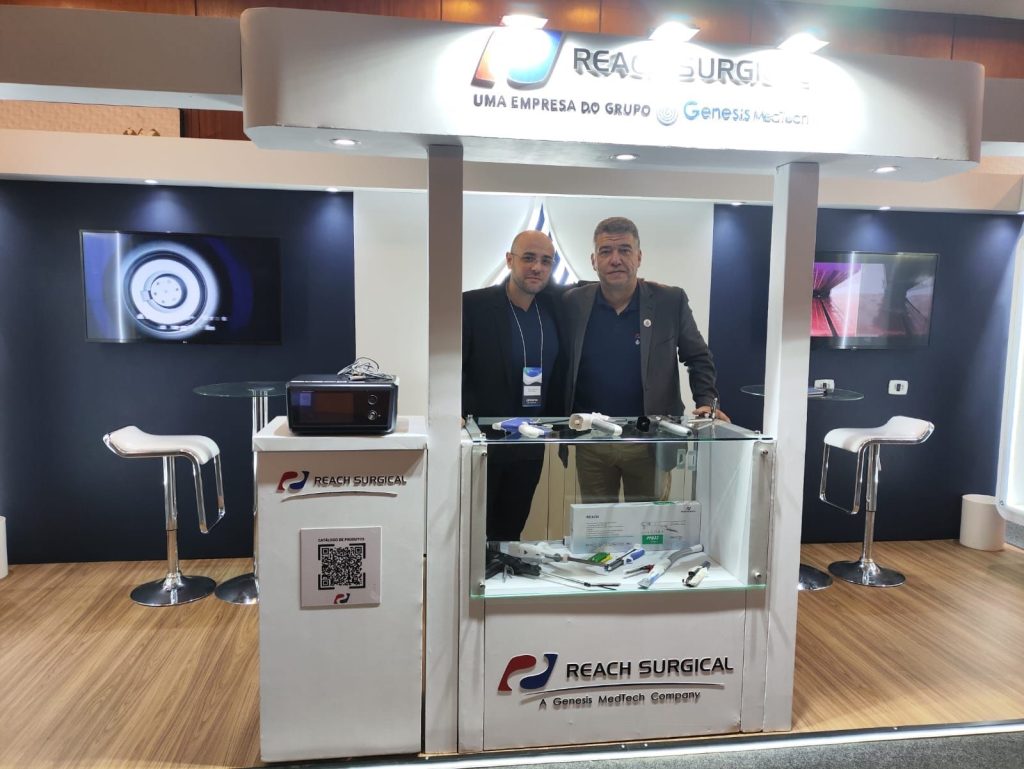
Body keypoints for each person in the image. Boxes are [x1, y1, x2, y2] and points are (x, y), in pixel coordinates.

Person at [564, 216, 727, 503]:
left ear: (639, 257)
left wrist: (706, 401)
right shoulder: (574, 302)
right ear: (593, 260)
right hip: (592, 442)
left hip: (651, 440)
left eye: (625, 250)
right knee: (597, 525)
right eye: (606, 251)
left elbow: (698, 356)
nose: (616, 259)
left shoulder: (669, 301)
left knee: (649, 526)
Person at [462, 230, 565, 540]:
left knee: (511, 530)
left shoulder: (554, 306)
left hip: (532, 442)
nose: (537, 267)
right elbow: (453, 367)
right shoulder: (474, 305)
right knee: (475, 532)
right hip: (485, 441)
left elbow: (594, 289)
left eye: (546, 261)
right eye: (528, 258)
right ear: (509, 260)